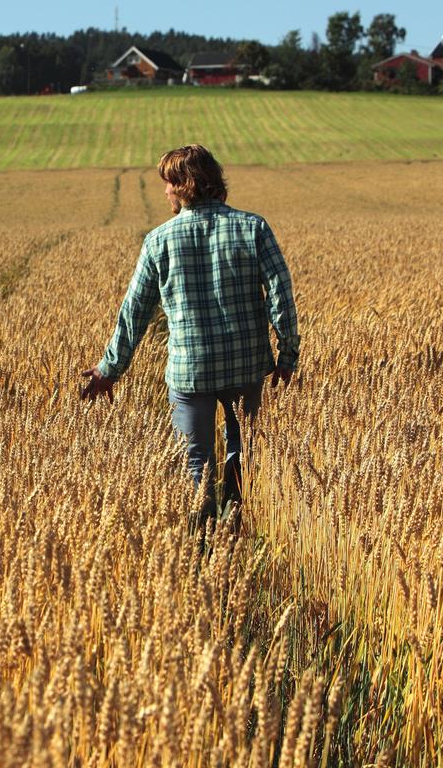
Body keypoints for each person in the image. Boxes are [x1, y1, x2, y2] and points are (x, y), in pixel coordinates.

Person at [81, 145, 300, 527]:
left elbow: (135, 312)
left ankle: (202, 537)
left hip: (190, 371)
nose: (164, 192)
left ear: (185, 185)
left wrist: (109, 369)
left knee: (196, 459)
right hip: (245, 364)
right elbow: (281, 292)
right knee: (243, 448)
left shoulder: (159, 241)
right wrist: (287, 355)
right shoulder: (253, 228)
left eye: (168, 183)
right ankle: (235, 522)